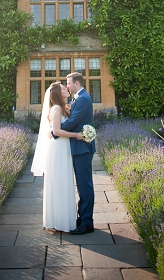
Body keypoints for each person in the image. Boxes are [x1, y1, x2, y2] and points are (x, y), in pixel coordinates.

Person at [52, 71, 96, 234]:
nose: (67, 86)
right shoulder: (78, 99)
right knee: (83, 184)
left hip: (82, 147)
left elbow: (71, 123)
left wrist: (54, 131)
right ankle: (82, 217)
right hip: (79, 147)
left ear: (77, 83)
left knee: (84, 185)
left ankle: (86, 223)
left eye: (68, 83)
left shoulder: (83, 99)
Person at [38, 82, 82, 232]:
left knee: (64, 183)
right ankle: (57, 222)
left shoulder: (64, 108)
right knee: (58, 184)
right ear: (57, 93)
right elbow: (56, 131)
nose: (67, 89)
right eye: (64, 88)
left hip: (64, 148)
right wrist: (76, 135)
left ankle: (63, 220)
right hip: (57, 149)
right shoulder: (56, 108)